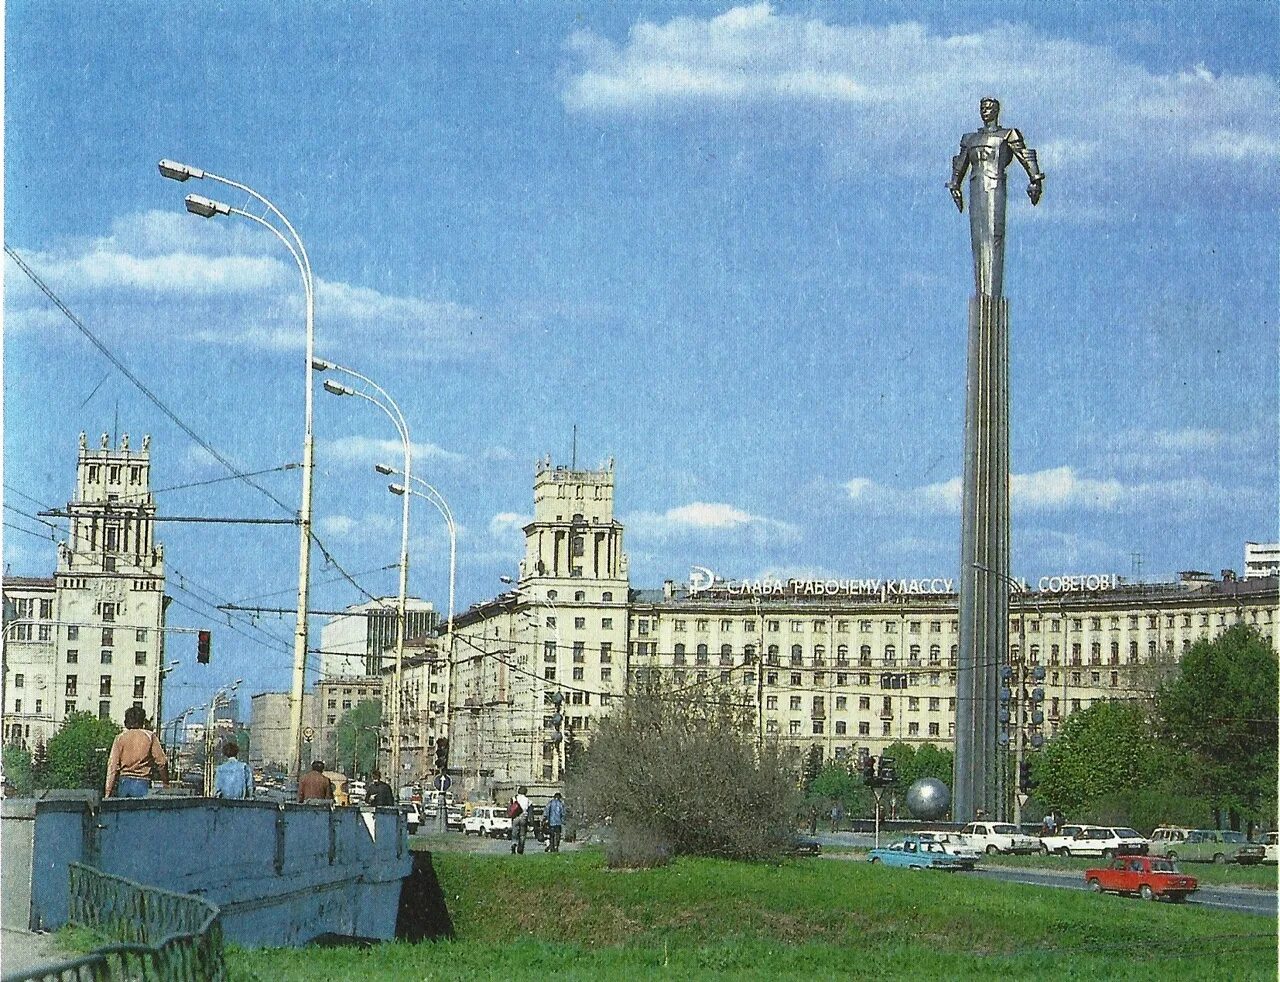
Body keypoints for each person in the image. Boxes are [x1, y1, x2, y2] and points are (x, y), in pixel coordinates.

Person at [105, 706, 168, 798]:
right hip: (143, 783)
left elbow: (112, 767)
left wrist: (108, 793)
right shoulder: (150, 737)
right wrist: (166, 783)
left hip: (124, 783)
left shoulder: (120, 738)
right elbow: (162, 762)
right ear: (142, 720)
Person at [509, 785, 531, 855]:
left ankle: (513, 844)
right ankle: (520, 848)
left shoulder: (513, 798)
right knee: (522, 834)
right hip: (523, 817)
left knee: (514, 832)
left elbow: (510, 808)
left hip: (515, 817)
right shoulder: (528, 800)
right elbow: (530, 811)